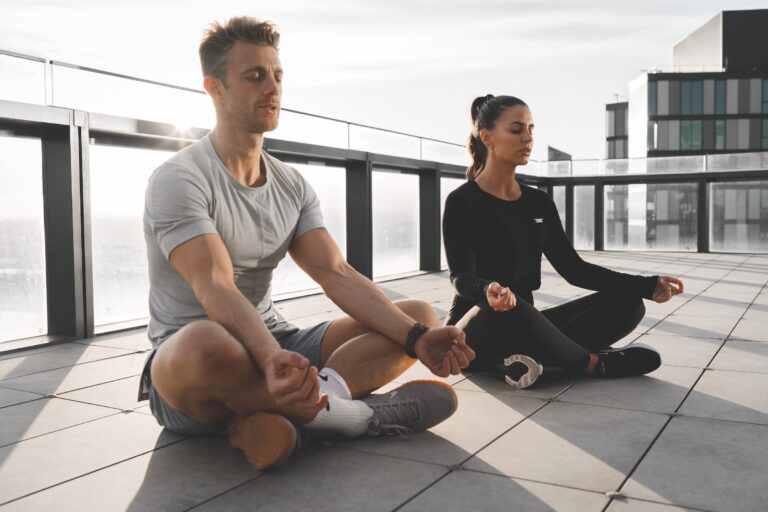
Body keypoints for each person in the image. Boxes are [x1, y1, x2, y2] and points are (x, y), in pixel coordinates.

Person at [138, 16, 475, 471]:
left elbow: (334, 272)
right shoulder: (179, 178)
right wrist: (272, 357)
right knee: (205, 341)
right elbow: (214, 285)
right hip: (193, 372)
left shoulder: (290, 183)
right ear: (214, 87)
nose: (272, 87)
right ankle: (354, 416)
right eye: (255, 76)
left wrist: (418, 339)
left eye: (277, 75)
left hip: (274, 341)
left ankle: (273, 423)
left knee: (413, 315)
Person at [442, 94, 684, 388]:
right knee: (508, 305)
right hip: (476, 325)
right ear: (487, 138)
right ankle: (594, 364)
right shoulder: (462, 202)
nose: (528, 137)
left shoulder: (538, 203)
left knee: (628, 305)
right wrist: (488, 289)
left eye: (531, 128)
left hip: (526, 322)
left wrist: (646, 285)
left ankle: (528, 361)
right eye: (517, 130)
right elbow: (460, 277)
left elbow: (574, 269)